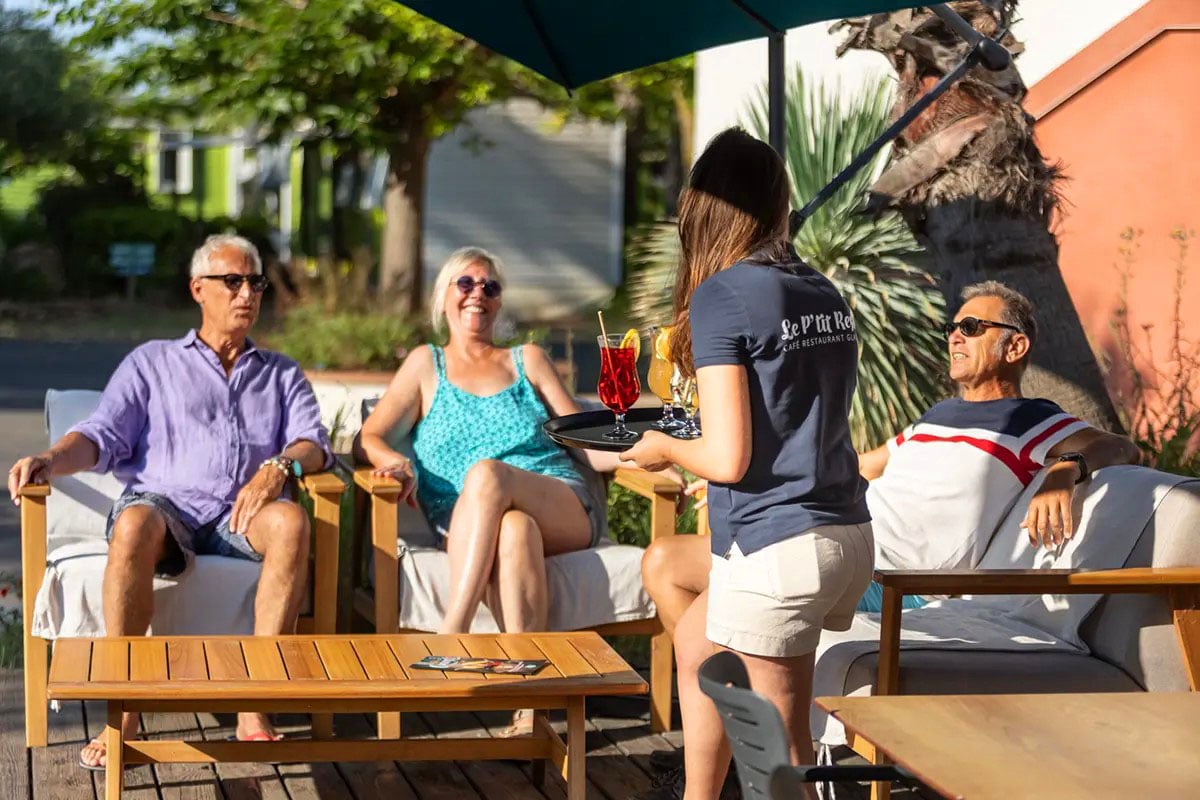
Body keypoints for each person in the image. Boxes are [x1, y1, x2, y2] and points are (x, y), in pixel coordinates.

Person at [641, 280, 1143, 746]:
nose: (956, 337)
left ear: (1015, 347)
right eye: (952, 328)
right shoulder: (937, 417)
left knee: (725, 602)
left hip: (892, 580)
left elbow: (1118, 447)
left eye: (972, 328)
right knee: (664, 561)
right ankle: (741, 726)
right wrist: (736, 479)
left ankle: (744, 739)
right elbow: (857, 465)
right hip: (839, 538)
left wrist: (1064, 470)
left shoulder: (1030, 421)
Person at [7, 234, 333, 768]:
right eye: (233, 281)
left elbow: (313, 444)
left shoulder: (280, 373)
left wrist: (279, 466)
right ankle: (126, 712)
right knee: (133, 523)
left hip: (239, 514)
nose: (247, 293)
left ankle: (254, 707)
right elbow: (101, 435)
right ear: (198, 289)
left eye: (255, 282)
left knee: (292, 522)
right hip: (166, 506)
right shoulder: (152, 363)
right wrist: (50, 457)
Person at [619, 128, 874, 800]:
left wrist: (665, 447)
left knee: (780, 761)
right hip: (841, 531)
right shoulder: (822, 290)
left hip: (780, 545)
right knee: (700, 643)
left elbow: (728, 459)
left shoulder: (722, 296)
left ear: (706, 208)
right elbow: (787, 416)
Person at [353, 246, 683, 735]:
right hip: (468, 521)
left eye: (490, 287)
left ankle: (451, 633)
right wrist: (392, 460)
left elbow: (585, 445)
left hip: (562, 502)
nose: (477, 295)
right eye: (465, 284)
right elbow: (369, 439)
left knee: (488, 474)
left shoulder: (526, 359)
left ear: (499, 302)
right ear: (444, 296)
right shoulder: (427, 365)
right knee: (513, 528)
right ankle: (531, 707)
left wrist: (658, 451)